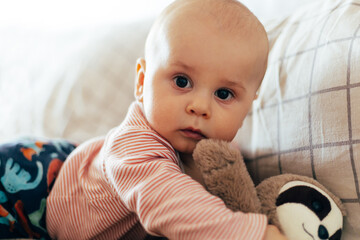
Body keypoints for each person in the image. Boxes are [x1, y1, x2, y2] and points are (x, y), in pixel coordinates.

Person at [44, 0, 287, 239]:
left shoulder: (218, 153)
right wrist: (257, 234)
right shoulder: (134, 146)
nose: (200, 107)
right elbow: (176, 206)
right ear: (141, 83)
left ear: (247, 107)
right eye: (182, 81)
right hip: (41, 193)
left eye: (224, 94)